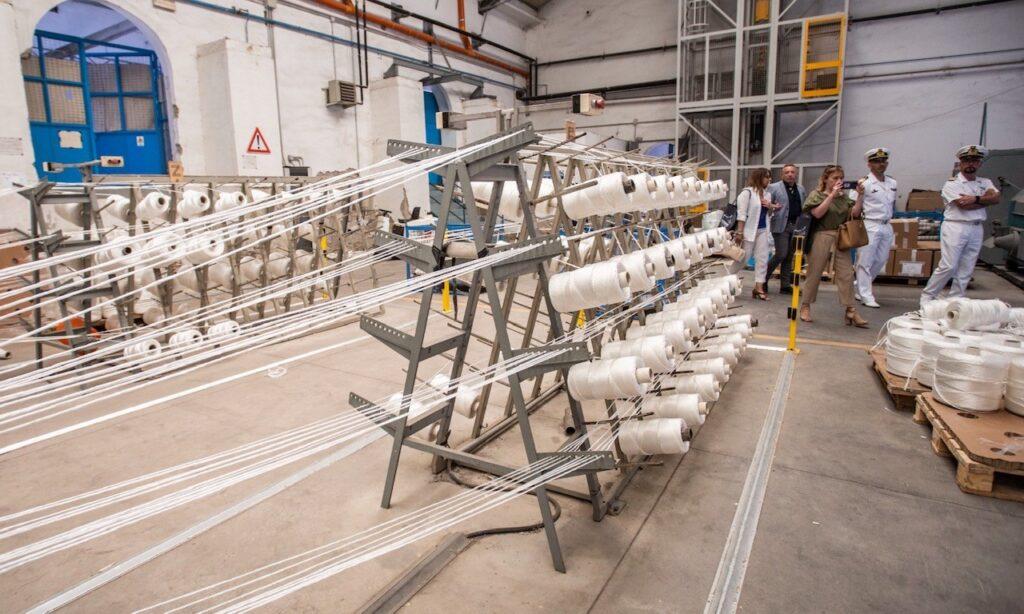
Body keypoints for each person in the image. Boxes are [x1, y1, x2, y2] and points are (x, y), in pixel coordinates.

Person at [920, 145, 1001, 304]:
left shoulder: (985, 182)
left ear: (979, 163)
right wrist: (986, 200)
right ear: (960, 163)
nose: (970, 164)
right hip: (956, 226)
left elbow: (996, 198)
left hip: (976, 227)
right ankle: (928, 295)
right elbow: (964, 205)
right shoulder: (952, 184)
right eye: (967, 160)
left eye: (974, 160)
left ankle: (956, 299)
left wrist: (975, 199)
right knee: (949, 265)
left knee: (967, 266)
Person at [799, 165, 869, 328]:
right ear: (825, 179)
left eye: (841, 178)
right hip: (821, 235)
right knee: (814, 272)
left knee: (846, 274)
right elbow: (817, 213)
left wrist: (860, 196)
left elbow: (855, 214)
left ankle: (851, 310)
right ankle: (805, 305)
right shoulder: (817, 195)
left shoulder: (843, 198)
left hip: (841, 236)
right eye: (835, 178)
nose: (839, 181)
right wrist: (831, 195)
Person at [854, 148, 897, 308]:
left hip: (886, 224)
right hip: (870, 223)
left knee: (881, 260)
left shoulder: (892, 183)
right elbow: (855, 209)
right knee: (865, 261)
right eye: (877, 161)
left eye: (883, 161)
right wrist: (859, 195)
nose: (881, 164)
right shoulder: (864, 183)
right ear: (869, 164)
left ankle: (859, 286)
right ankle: (866, 295)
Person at [734, 168, 779, 300]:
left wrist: (770, 207)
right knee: (743, 258)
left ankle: (759, 288)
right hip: (748, 231)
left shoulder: (767, 195)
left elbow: (768, 215)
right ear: (759, 177)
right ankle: (725, 279)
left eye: (770, 177)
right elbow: (741, 214)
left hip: (763, 230)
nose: (769, 180)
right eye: (766, 177)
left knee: (762, 259)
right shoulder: (747, 193)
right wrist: (740, 232)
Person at [766, 164, 806, 295]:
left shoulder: (801, 189)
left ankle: (785, 285)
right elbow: (766, 204)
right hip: (781, 225)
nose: (790, 174)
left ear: (796, 174)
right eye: (787, 172)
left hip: (796, 226)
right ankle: (763, 279)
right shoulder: (773, 188)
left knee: (789, 256)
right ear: (782, 175)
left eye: (792, 172)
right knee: (781, 254)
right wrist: (772, 206)